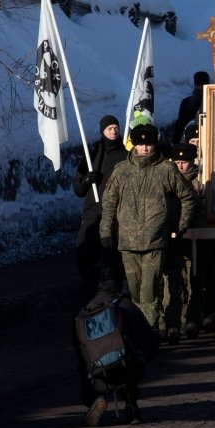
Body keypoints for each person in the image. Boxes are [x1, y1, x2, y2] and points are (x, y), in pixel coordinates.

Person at [99, 123, 197, 342]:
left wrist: (179, 226)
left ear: (155, 145)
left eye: (149, 144)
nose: (144, 148)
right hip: (127, 242)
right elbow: (109, 202)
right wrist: (106, 232)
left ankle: (148, 334)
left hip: (155, 241)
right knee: (135, 293)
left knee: (149, 292)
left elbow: (187, 197)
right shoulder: (122, 170)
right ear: (134, 145)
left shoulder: (166, 169)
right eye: (140, 144)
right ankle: (145, 330)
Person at [75, 269, 159, 426]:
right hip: (126, 369)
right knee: (131, 357)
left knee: (84, 364)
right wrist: (141, 359)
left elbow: (80, 355)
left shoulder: (83, 314)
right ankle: (131, 407)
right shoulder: (125, 304)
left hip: (98, 376)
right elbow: (151, 343)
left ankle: (96, 398)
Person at [73, 115, 129, 298]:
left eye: (116, 128)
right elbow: (78, 189)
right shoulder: (92, 154)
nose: (113, 131)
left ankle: (114, 291)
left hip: (115, 213)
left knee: (112, 255)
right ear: (102, 131)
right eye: (109, 128)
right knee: (85, 252)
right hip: (92, 211)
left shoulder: (125, 156)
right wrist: (87, 180)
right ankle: (92, 288)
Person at [171, 143, 215, 336]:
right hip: (179, 236)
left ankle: (206, 314)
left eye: (185, 162)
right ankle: (187, 318)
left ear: (192, 162)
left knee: (202, 277)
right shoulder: (171, 180)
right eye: (178, 162)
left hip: (202, 235)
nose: (181, 166)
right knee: (182, 279)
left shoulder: (202, 180)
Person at [173, 71, 209, 143]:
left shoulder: (211, 101)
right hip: (190, 139)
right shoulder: (186, 102)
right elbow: (180, 125)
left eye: (203, 86)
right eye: (199, 86)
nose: (201, 88)